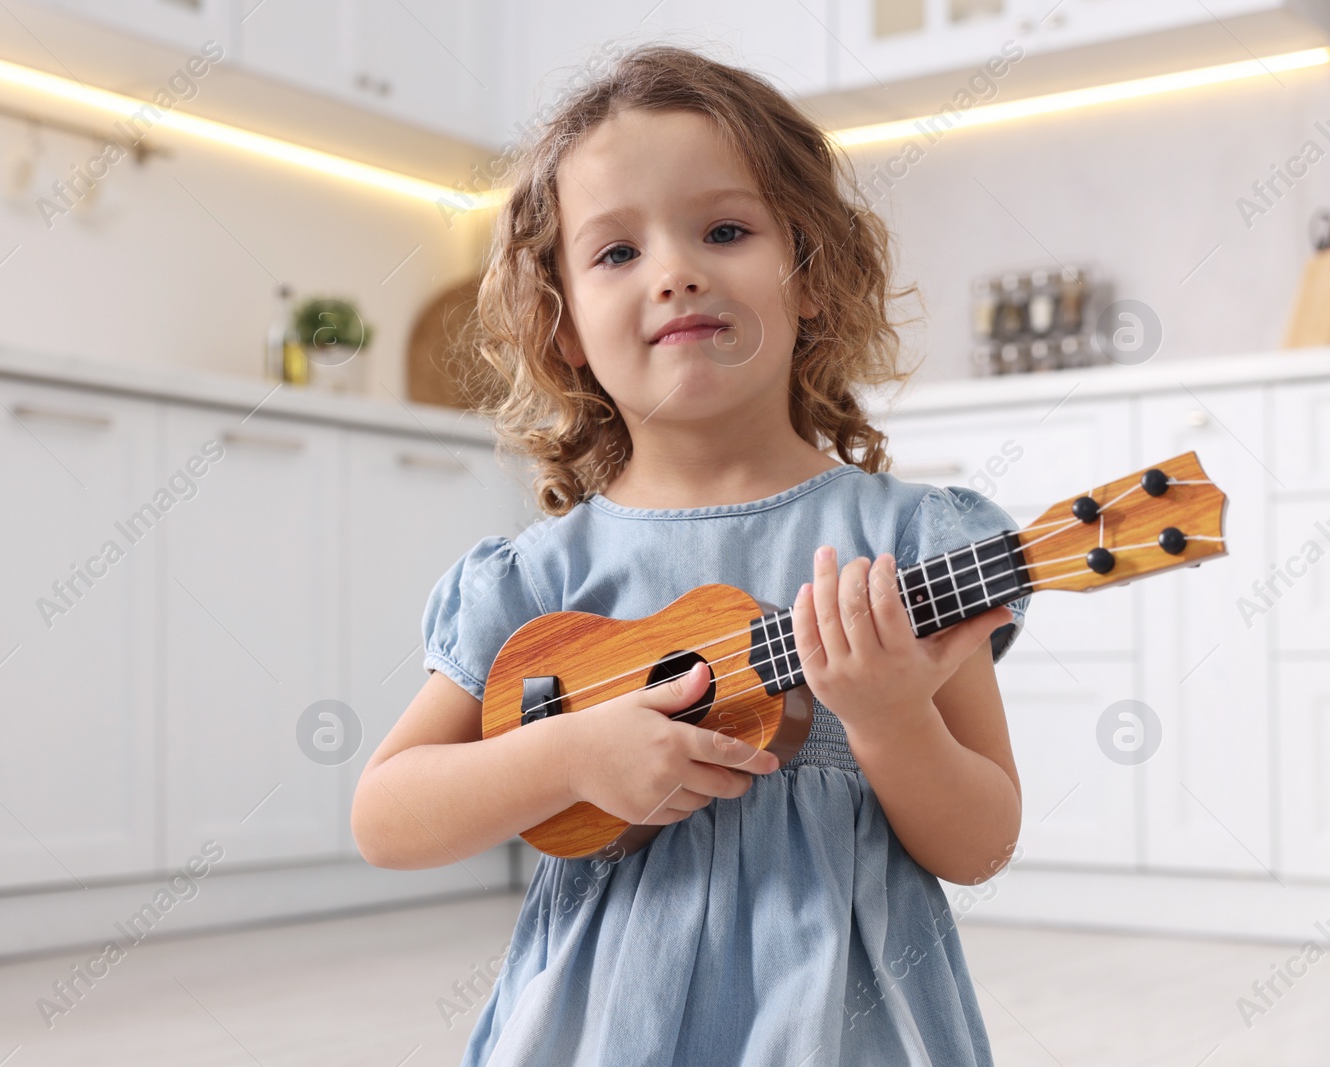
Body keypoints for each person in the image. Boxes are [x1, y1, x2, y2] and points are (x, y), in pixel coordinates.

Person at [351, 42, 1030, 1067]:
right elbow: (386, 814)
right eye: (616, 252)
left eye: (724, 229)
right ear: (564, 323)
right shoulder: (538, 581)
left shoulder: (902, 548)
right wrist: (571, 755)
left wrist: (889, 715)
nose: (675, 271)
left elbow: (979, 843)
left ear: (808, 275)